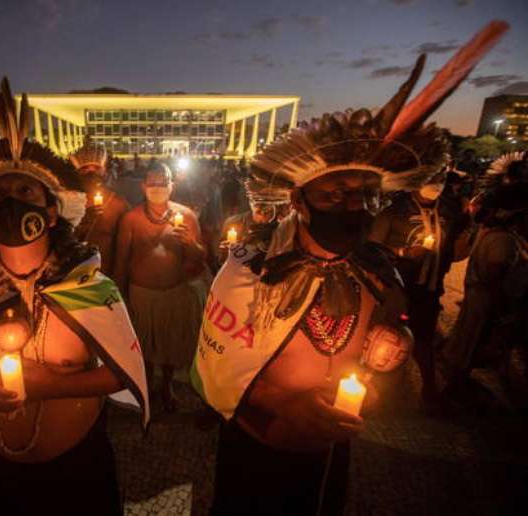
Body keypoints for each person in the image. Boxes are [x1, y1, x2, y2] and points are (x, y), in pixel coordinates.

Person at [191, 40, 501, 513]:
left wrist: (391, 350)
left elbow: (385, 360)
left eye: (364, 196)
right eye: (335, 196)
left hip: (331, 451)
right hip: (257, 450)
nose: (353, 208)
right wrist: (283, 404)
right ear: (299, 202)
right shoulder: (250, 270)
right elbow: (213, 370)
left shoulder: (377, 272)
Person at [0, 79, 148, 516]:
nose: (10, 203)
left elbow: (120, 375)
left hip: (80, 469)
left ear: (52, 212)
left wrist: (54, 385)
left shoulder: (90, 288)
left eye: (24, 192)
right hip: (1, 470)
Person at [369, 169, 470, 412]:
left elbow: (453, 251)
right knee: (382, 340)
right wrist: (403, 252)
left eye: (440, 181)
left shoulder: (448, 213)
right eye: (430, 180)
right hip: (397, 289)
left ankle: (430, 392)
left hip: (429, 289)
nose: (435, 185)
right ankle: (371, 390)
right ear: (415, 184)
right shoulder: (393, 212)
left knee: (424, 339)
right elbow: (371, 248)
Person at [114, 162, 205, 412]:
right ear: (143, 186)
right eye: (152, 183)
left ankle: (166, 385)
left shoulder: (186, 216)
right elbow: (122, 260)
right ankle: (147, 384)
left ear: (172, 185)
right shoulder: (131, 219)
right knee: (144, 345)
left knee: (170, 344)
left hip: (175, 293)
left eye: (163, 182)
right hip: (141, 294)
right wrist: (119, 296)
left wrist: (190, 244)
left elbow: (200, 258)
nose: (157, 187)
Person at [442, 174, 528, 410]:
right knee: (472, 343)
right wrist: (502, 305)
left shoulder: (497, 235)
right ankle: (454, 388)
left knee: (469, 341)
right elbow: (494, 275)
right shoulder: (501, 241)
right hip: (486, 301)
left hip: (483, 299)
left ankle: (458, 383)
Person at [69, 141, 130, 277]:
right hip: (74, 277)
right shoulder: (67, 203)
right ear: (77, 174)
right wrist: (82, 223)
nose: (91, 173)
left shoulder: (118, 204)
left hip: (107, 276)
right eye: (85, 170)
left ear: (105, 172)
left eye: (96, 168)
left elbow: (126, 248)